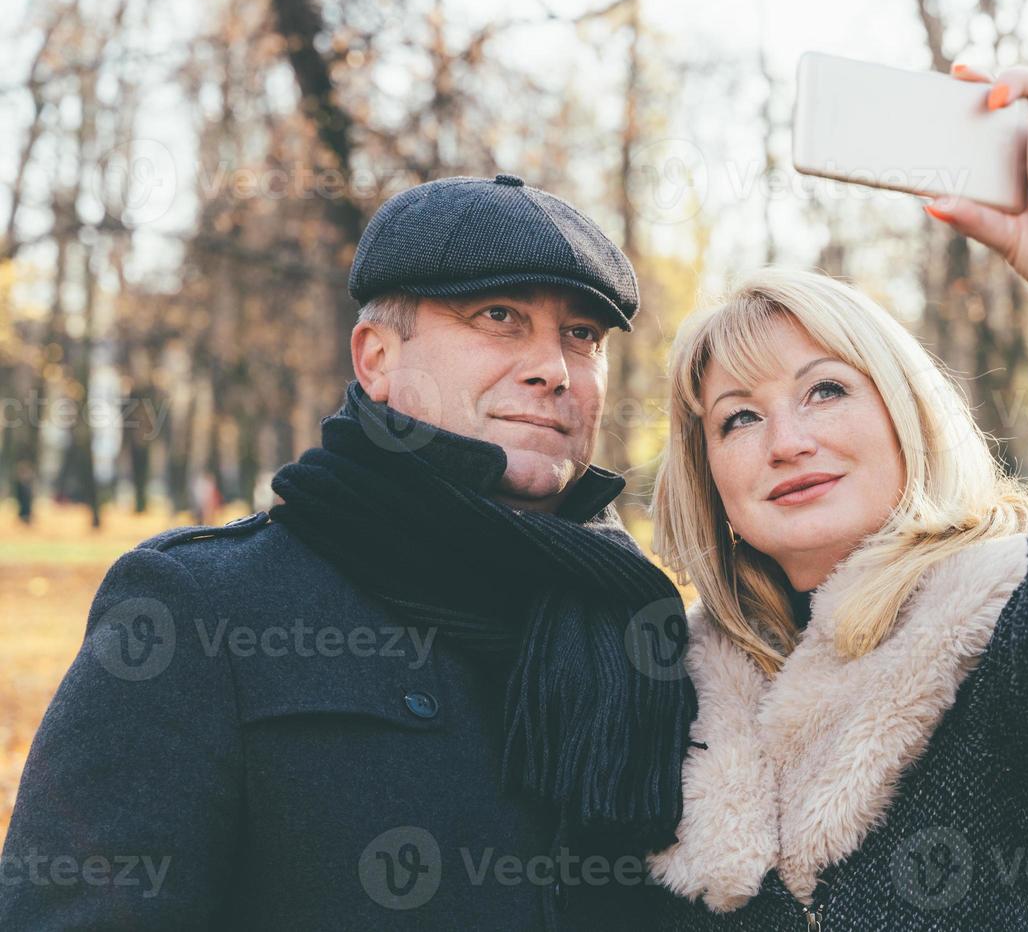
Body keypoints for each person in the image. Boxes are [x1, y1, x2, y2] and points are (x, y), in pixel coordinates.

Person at [0, 174, 693, 930]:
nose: (554, 368)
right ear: (376, 361)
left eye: (582, 335)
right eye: (499, 316)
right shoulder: (201, 612)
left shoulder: (647, 629)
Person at [642, 64, 1028, 929]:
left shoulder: (1003, 638)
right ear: (712, 485)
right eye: (738, 420)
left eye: (825, 390)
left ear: (905, 416)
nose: (787, 441)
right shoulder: (672, 700)